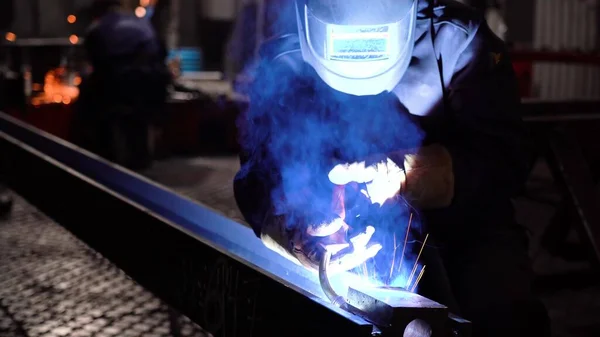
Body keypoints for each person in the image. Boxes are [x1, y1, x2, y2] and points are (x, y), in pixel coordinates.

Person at [233, 0, 550, 336]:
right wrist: (296, 231)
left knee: (499, 304)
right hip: (346, 241)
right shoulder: (287, 59)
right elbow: (257, 176)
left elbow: (504, 160)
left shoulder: (458, 43)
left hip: (463, 229)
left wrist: (405, 173)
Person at [73, 0, 169, 170]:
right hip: (143, 87)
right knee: (137, 125)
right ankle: (140, 161)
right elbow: (158, 56)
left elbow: (93, 61)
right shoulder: (142, 26)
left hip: (113, 89)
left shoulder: (98, 28)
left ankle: (102, 157)